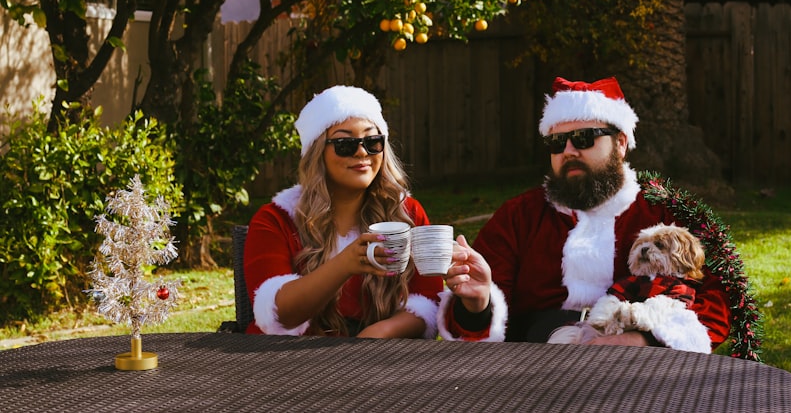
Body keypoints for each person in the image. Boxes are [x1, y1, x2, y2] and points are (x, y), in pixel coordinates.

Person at [437, 76, 732, 347]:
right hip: (537, 368)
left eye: (584, 138)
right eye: (556, 142)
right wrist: (477, 305)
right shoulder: (518, 217)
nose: (568, 151)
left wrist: (644, 341)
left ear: (620, 144)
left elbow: (718, 300)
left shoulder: (666, 214)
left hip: (645, 366)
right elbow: (474, 323)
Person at [243, 85, 441, 338]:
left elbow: (427, 301)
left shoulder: (405, 213)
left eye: (372, 142)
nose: (362, 152)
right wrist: (344, 265)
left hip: (378, 363)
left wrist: (378, 334)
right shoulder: (277, 219)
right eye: (345, 144)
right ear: (317, 153)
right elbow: (277, 315)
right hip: (288, 364)